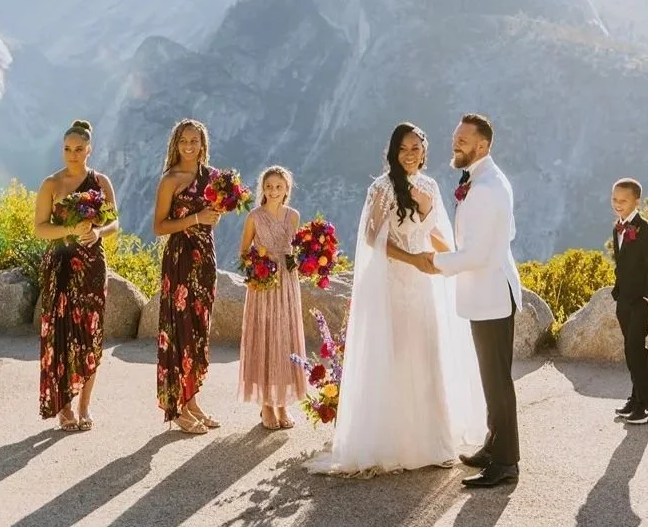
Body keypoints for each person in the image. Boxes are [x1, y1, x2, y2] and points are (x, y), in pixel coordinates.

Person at [305, 122, 485, 477]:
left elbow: (431, 231)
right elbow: (373, 238)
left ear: (425, 150)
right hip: (397, 280)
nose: (410, 154)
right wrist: (412, 260)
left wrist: (455, 260)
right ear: (393, 152)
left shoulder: (430, 185)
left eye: (416, 148)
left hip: (426, 283)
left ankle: (431, 442)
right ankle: (396, 443)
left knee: (427, 352)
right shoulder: (382, 188)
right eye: (404, 149)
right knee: (399, 355)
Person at [408, 113, 524, 488]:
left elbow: (474, 255)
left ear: (483, 145)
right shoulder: (485, 180)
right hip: (488, 291)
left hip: (490, 294)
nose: (455, 143)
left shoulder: (487, 188)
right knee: (491, 378)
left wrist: (435, 263)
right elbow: (506, 233)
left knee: (498, 381)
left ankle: (506, 463)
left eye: (463, 139)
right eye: (455, 137)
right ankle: (494, 445)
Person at [34, 119, 119, 432]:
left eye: (79, 149)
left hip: (93, 266)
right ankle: (65, 406)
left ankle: (85, 404)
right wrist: (70, 229)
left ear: (89, 150)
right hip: (61, 265)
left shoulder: (100, 182)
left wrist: (97, 233)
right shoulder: (51, 185)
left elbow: (114, 223)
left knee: (91, 335)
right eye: (67, 148)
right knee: (63, 334)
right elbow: (39, 228)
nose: (72, 153)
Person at [152, 118, 221, 434]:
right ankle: (176, 408)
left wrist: (213, 218)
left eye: (194, 141)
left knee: (197, 331)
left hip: (205, 258)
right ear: (176, 144)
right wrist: (196, 218)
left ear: (203, 144)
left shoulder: (212, 177)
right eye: (183, 141)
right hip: (180, 260)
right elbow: (159, 227)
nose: (189, 147)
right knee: (179, 330)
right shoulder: (170, 179)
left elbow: (213, 217)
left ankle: (192, 401)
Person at [237, 165, 307, 430]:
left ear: (287, 189)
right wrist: (260, 256)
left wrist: (304, 261)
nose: (273, 191)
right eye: (269, 187)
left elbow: (294, 255)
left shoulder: (293, 216)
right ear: (262, 189)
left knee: (284, 340)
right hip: (263, 286)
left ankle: (282, 404)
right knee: (265, 339)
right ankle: (266, 405)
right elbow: (244, 253)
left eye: (279, 186)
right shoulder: (254, 217)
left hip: (287, 285)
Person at [610, 177, 648, 425]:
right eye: (615, 200)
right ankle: (636, 399)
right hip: (624, 298)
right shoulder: (617, 228)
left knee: (635, 348)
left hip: (642, 300)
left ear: (636, 201)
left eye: (623, 200)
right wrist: (618, 291)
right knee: (630, 350)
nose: (618, 204)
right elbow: (622, 264)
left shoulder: (647, 230)